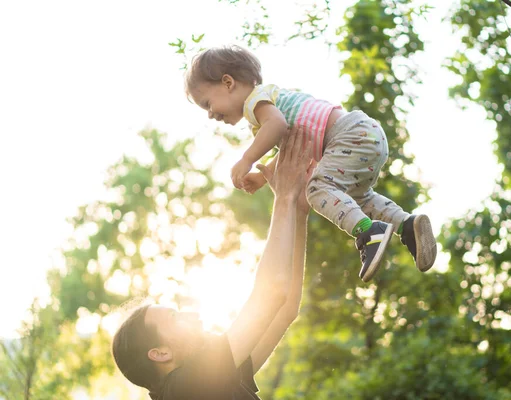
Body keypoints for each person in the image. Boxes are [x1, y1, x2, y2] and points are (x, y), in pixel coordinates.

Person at [183, 44, 437, 282]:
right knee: (356, 198)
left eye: (207, 103)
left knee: (317, 189)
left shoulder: (256, 104)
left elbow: (277, 126)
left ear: (228, 82)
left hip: (347, 135)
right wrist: (263, 176)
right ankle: (406, 225)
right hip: (364, 135)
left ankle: (368, 232)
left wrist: (246, 159)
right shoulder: (267, 104)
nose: (210, 114)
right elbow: (289, 147)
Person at [112, 127, 315, 399]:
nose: (192, 314)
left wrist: (298, 211)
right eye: (175, 318)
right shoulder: (184, 389)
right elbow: (272, 294)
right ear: (161, 354)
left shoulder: (208, 380)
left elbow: (285, 306)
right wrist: (284, 197)